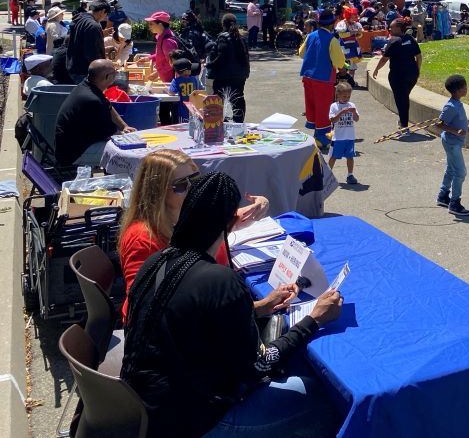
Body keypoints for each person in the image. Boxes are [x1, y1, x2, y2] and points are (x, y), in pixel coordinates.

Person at [121, 172, 342, 438]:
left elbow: (193, 316)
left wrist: (259, 307)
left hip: (143, 404)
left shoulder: (155, 262)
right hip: (193, 422)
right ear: (234, 221)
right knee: (325, 400)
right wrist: (314, 320)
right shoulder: (219, 280)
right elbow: (258, 366)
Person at [118, 150, 270, 318]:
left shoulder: (188, 214)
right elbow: (142, 306)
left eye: (196, 180)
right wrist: (257, 307)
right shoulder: (142, 238)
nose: (193, 189)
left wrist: (260, 206)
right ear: (158, 192)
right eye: (181, 185)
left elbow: (226, 221)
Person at [55, 59, 135, 166]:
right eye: (115, 72)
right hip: (73, 155)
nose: (116, 74)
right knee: (127, 156)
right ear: (107, 77)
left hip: (74, 147)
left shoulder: (88, 86)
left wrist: (124, 126)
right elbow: (111, 134)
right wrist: (132, 140)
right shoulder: (92, 100)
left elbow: (108, 107)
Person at [299, 9, 347, 150]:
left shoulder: (310, 36)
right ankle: (322, 138)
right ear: (332, 24)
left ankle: (317, 133)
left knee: (312, 104)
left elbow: (301, 53)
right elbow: (339, 61)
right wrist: (342, 68)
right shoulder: (332, 40)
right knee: (323, 107)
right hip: (323, 78)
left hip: (308, 76)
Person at [370, 18, 422, 129]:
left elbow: (384, 59)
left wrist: (376, 69)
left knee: (401, 99)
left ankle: (404, 124)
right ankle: (402, 121)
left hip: (398, 76)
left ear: (398, 28)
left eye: (392, 27)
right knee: (404, 97)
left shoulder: (393, 41)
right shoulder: (410, 39)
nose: (390, 29)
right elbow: (419, 56)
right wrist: (417, 70)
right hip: (412, 75)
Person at [436, 74, 469, 217]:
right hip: (452, 143)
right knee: (460, 172)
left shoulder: (457, 103)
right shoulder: (450, 106)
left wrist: (465, 126)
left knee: (451, 169)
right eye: (464, 87)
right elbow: (439, 124)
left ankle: (443, 196)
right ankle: (455, 203)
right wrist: (455, 131)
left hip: (453, 142)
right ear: (457, 90)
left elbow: (455, 120)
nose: (466, 89)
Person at [205, 13, 251, 123]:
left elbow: (221, 56)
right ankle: (239, 123)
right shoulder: (241, 37)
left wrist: (209, 65)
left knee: (218, 99)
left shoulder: (223, 37)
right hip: (240, 74)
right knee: (238, 98)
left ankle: (217, 124)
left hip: (224, 75)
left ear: (223, 24)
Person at [65, 0, 110, 81]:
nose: (105, 18)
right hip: (85, 70)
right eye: (106, 15)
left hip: (73, 65)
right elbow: (92, 52)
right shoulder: (93, 25)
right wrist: (102, 69)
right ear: (103, 11)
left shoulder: (79, 19)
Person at [327, 81, 360, 185]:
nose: (347, 98)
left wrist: (354, 112)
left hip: (349, 137)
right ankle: (327, 175)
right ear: (338, 94)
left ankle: (350, 174)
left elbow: (357, 119)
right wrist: (341, 112)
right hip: (338, 137)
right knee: (334, 156)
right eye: (344, 96)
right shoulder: (334, 106)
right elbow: (332, 120)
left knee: (350, 156)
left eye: (348, 96)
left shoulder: (351, 105)